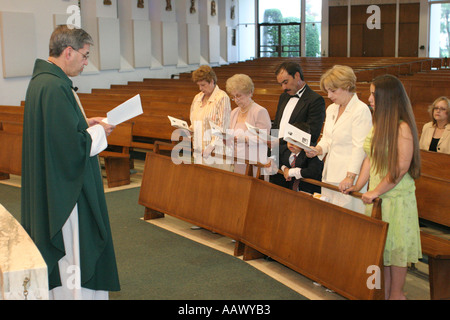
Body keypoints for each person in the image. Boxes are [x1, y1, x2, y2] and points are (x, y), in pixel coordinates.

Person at [21, 25, 120, 299]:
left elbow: (57, 131)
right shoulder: (54, 86)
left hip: (53, 184)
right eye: (85, 55)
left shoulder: (45, 81)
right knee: (75, 252)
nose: (86, 62)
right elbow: (70, 147)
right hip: (67, 195)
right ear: (68, 52)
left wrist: (84, 122)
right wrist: (100, 132)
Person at [345, 74, 422, 300]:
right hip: (378, 198)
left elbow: (399, 168)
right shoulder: (379, 122)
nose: (369, 98)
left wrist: (376, 191)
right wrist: (357, 185)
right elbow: (370, 158)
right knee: (383, 252)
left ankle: (397, 295)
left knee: (395, 251)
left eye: (373, 94)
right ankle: (385, 295)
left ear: (387, 97)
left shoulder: (403, 128)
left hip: (396, 199)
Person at [305, 65, 372, 214]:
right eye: (327, 91)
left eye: (333, 91)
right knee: (329, 215)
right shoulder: (332, 109)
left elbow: (360, 147)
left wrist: (350, 176)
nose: (329, 95)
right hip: (330, 171)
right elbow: (327, 138)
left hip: (349, 175)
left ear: (347, 86)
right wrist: (318, 149)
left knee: (348, 219)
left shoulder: (360, 110)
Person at [270, 61, 325, 187]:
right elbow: (276, 125)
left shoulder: (315, 100)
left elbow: (312, 134)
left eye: (285, 82)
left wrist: (280, 143)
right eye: (281, 84)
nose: (283, 88)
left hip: (298, 162)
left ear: (297, 76)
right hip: (278, 157)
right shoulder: (283, 97)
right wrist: (272, 151)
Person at [225, 74, 271, 176]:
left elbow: (265, 138)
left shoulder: (259, 111)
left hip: (254, 161)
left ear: (250, 92)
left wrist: (245, 139)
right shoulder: (234, 112)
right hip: (238, 159)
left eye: (239, 95)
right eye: (233, 97)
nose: (236, 100)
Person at [189, 65, 231, 168]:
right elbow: (194, 121)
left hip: (215, 151)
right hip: (199, 148)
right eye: (199, 85)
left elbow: (222, 128)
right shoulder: (197, 97)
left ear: (212, 81)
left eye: (203, 85)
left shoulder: (222, 98)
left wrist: (210, 147)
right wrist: (189, 129)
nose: (200, 88)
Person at [279, 122, 323, 194]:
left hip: (309, 192)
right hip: (290, 191)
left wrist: (291, 172)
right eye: (289, 139)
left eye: (295, 140)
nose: (291, 143)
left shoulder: (311, 152)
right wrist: (285, 168)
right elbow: (278, 160)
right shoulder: (285, 150)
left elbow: (314, 171)